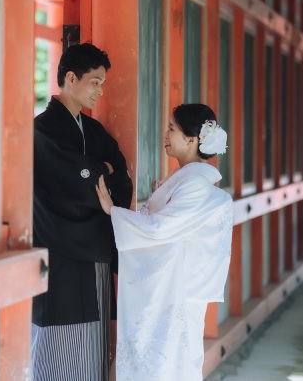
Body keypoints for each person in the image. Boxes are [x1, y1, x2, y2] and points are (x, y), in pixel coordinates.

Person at [95, 103, 233, 381]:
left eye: (172, 128)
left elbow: (160, 229)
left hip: (173, 294)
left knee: (163, 365)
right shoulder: (187, 180)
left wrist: (113, 211)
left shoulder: (194, 184)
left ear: (192, 140)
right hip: (169, 291)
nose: (165, 134)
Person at [32, 43, 134, 381]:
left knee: (95, 343)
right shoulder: (43, 129)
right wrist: (98, 171)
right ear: (71, 78)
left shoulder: (91, 130)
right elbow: (74, 179)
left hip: (94, 249)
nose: (100, 91)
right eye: (95, 82)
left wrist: (97, 168)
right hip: (60, 247)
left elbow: (119, 171)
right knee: (59, 345)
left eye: (102, 84)